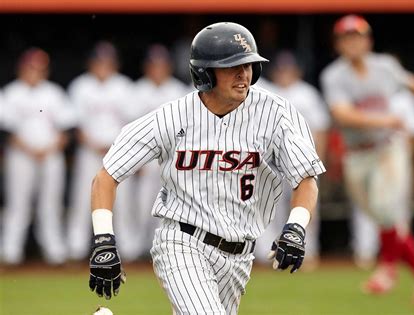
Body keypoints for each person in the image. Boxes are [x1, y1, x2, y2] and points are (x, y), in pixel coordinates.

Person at [87, 22, 325, 314]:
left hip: (240, 256)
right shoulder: (172, 117)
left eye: (249, 64)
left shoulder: (276, 113)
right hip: (182, 242)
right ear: (204, 73)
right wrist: (104, 240)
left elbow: (306, 178)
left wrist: (296, 227)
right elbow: (106, 176)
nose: (244, 73)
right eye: (232, 66)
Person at [320, 15, 414, 304]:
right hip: (357, 154)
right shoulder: (334, 75)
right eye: (346, 37)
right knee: (379, 215)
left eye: (358, 36)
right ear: (338, 44)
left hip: (387, 149)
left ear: (368, 40)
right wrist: (385, 119)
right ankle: (389, 267)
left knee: (385, 209)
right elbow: (342, 114)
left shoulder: (385, 66)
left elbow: (412, 83)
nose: (353, 42)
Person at [254, 50, 330, 270]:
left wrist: (319, 158)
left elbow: (320, 130)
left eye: (288, 68)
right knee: (270, 208)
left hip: (301, 159)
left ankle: (308, 251)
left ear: (297, 71)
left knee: (304, 205)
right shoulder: (267, 92)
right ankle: (272, 253)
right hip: (271, 161)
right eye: (280, 69)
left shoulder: (307, 94)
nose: (284, 73)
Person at [2, 48, 75, 265]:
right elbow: (6, 131)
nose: (34, 71)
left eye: (39, 68)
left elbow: (67, 130)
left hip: (50, 154)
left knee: (50, 204)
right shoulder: (11, 92)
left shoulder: (53, 93)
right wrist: (30, 149)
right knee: (17, 204)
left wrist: (50, 148)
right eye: (31, 67)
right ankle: (9, 252)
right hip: (21, 155)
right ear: (22, 68)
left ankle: (55, 252)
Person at [66, 41, 137, 261]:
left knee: (124, 203)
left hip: (119, 153)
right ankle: (75, 249)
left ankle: (128, 250)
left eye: (107, 61)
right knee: (81, 200)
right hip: (90, 151)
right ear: (91, 63)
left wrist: (115, 146)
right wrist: (92, 143)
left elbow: (133, 124)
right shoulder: (81, 86)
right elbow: (75, 125)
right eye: (99, 61)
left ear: (115, 64)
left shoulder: (124, 86)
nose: (103, 65)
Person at [133, 44, 190, 258]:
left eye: (161, 64)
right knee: (141, 205)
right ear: (147, 67)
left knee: (170, 205)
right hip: (145, 156)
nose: (158, 68)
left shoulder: (178, 91)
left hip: (171, 156)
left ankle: (164, 247)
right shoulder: (137, 90)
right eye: (154, 65)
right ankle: (134, 249)